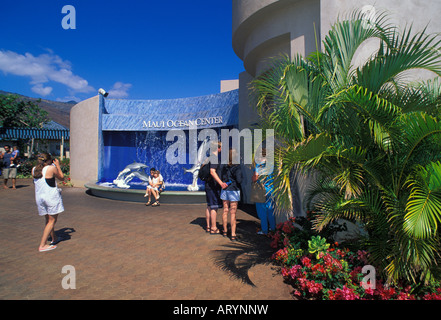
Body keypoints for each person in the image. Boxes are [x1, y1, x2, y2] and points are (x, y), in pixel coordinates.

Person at [32, 153, 65, 252]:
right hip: (50, 197)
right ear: (49, 160)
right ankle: (42, 245)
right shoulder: (50, 168)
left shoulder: (34, 169)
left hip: (40, 197)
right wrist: (58, 166)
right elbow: (62, 178)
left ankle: (54, 238)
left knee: (48, 220)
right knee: (52, 221)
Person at [204, 141, 227, 234]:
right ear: (218, 148)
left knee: (209, 206)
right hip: (213, 186)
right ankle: (214, 228)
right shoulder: (214, 158)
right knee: (214, 207)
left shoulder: (208, 158)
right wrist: (221, 183)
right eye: (221, 147)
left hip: (208, 185)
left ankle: (208, 226)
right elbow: (212, 171)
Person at [220, 149, 243, 241]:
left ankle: (225, 231)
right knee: (233, 213)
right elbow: (239, 180)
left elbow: (222, 177)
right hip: (233, 190)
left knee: (225, 210)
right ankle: (233, 234)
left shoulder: (224, 166)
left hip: (225, 190)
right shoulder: (237, 167)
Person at [252, 148, 276, 235]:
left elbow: (255, 178)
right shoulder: (271, 164)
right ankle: (273, 229)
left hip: (261, 191)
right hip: (270, 189)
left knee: (262, 211)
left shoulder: (259, 165)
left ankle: (265, 230)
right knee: (270, 210)